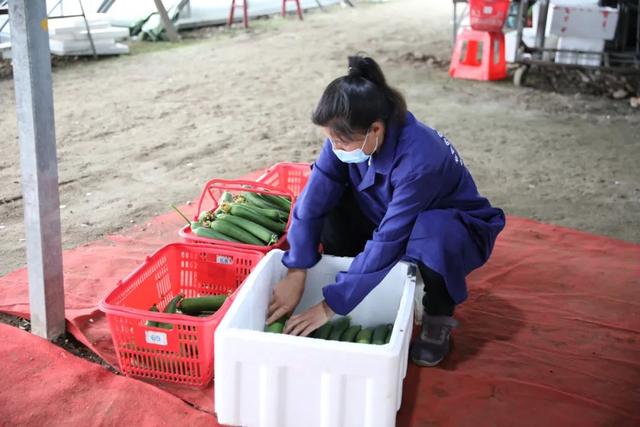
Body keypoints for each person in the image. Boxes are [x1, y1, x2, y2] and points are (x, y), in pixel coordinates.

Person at [266, 54, 505, 366]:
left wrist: (330, 306)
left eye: (340, 143)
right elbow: (313, 198)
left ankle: (438, 316)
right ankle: (358, 279)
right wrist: (297, 268)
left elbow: (391, 237)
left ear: (375, 129)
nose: (335, 149)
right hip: (386, 212)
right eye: (330, 142)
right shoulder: (348, 135)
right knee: (328, 206)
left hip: (449, 228)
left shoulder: (421, 159)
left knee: (431, 234)